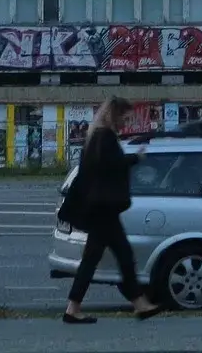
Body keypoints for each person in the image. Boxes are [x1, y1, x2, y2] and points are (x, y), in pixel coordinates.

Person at [63, 98, 161, 325]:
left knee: (98, 258)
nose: (127, 123)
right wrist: (136, 157)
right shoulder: (104, 136)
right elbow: (109, 164)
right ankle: (139, 303)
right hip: (103, 208)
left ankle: (74, 308)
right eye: (125, 118)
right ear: (114, 115)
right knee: (120, 255)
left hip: (99, 207)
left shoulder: (95, 136)